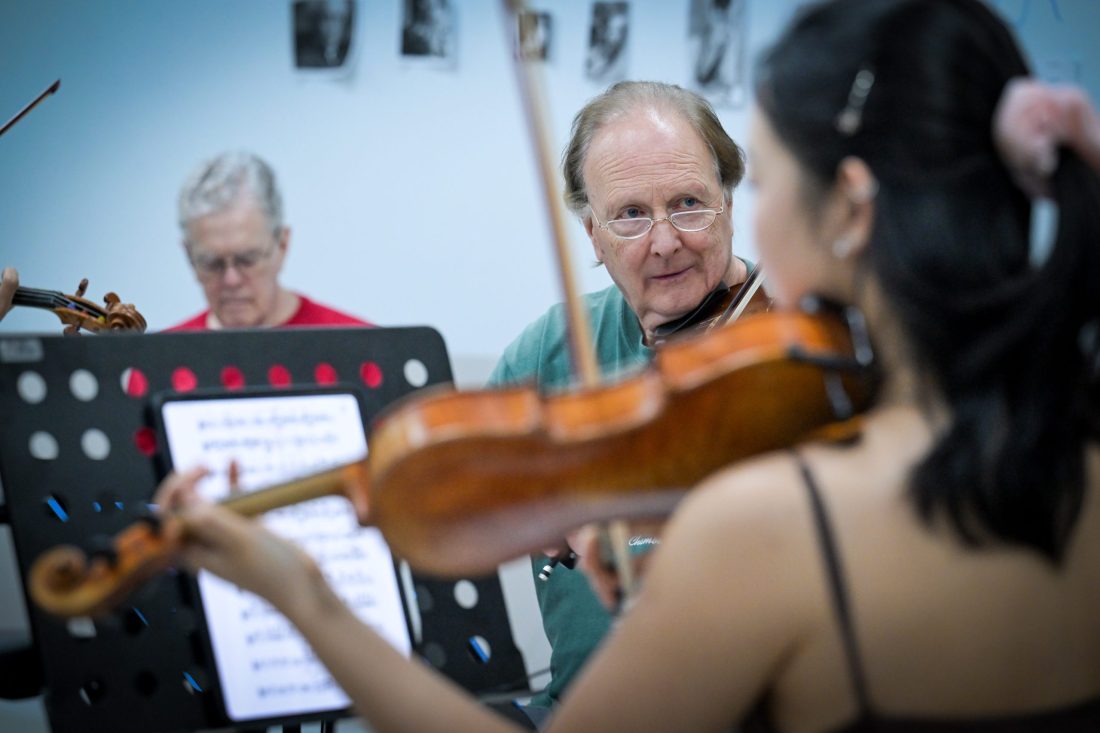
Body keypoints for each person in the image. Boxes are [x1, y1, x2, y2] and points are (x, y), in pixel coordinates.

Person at [154, 0, 1100, 730]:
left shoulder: (773, 521)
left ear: (850, 208)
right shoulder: (1073, 458)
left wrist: (299, 593)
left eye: (752, 184)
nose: (670, 242)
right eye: (629, 217)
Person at [485, 79, 751, 724]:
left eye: (689, 203)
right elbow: (476, 491)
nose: (664, 242)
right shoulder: (548, 353)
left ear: (728, 203)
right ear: (593, 236)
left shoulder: (785, 354)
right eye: (630, 215)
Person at [169, 151, 372, 331]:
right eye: (212, 263)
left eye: (248, 259)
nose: (231, 280)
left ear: (282, 245)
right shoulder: (162, 363)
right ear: (189, 257)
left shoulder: (362, 350)